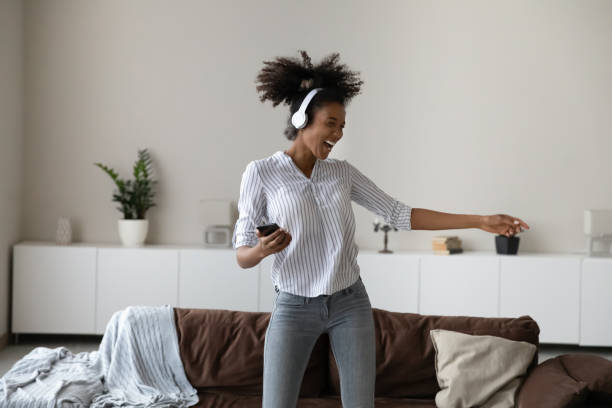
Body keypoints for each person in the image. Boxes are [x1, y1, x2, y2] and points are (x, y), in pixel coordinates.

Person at [232, 50, 530, 408]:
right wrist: (262, 250)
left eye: (342, 126)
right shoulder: (261, 173)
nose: (338, 134)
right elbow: (242, 256)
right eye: (331, 123)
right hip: (294, 304)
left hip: (349, 302)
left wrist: (480, 221)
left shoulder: (341, 173)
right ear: (302, 119)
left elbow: (399, 213)